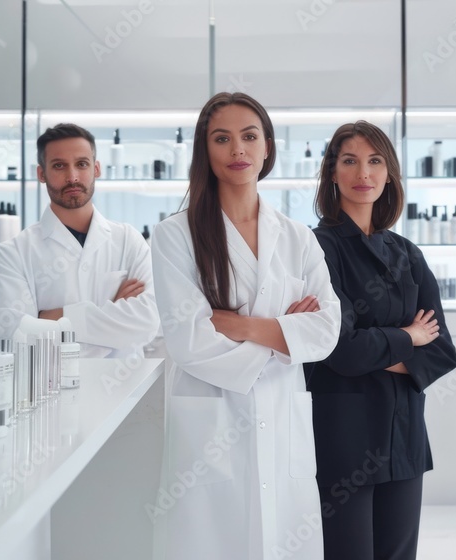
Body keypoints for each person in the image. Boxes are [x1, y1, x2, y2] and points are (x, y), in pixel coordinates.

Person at [149, 92, 341, 560]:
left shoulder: (297, 236)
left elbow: (326, 331)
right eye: (222, 138)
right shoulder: (176, 236)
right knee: (210, 541)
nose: (238, 149)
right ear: (205, 150)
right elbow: (190, 341)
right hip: (210, 420)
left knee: (283, 538)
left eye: (249, 136)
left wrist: (242, 326)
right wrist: (282, 335)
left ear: (268, 147)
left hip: (281, 416)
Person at [304, 121, 456, 560]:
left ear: (389, 173)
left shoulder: (408, 253)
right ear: (332, 173)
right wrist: (409, 336)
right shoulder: (317, 248)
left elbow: (443, 349)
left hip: (404, 435)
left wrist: (378, 346)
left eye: (375, 161)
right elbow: (338, 349)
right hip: (343, 438)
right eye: (349, 161)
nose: (363, 173)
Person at [0, 123, 158, 357]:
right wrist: (113, 316)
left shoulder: (129, 240)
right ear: (41, 174)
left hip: (123, 389)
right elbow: (18, 339)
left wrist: (50, 317)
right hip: (47, 391)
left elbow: (147, 323)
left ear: (96, 169)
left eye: (81, 164)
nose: (72, 177)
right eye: (59, 166)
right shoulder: (11, 254)